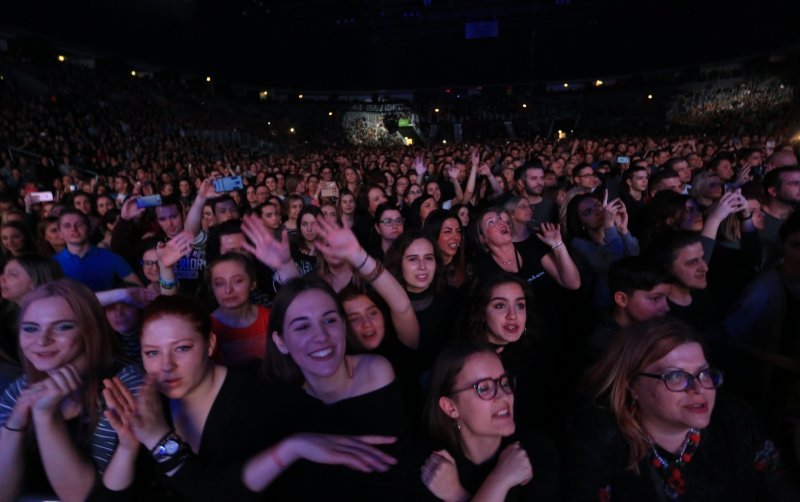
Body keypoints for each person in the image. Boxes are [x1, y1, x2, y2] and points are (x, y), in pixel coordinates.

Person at [102, 294, 395, 500]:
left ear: (209, 344)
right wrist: (128, 448)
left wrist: (159, 440)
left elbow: (214, 493)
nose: (166, 366)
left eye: (182, 348)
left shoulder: (260, 399)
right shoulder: (154, 403)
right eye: (152, 353)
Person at [565, 317, 797, 501]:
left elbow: (778, 485)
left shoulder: (733, 417)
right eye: (676, 376)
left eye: (705, 373)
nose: (699, 388)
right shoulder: (599, 435)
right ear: (632, 385)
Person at [261, 275, 410, 500]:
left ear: (343, 324)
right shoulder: (281, 406)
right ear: (281, 342)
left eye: (329, 320)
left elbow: (396, 473)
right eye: (302, 327)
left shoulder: (376, 371)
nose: (320, 336)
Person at [0, 279, 143, 501]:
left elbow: (83, 498)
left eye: (62, 327)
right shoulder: (21, 386)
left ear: (90, 330)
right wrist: (16, 422)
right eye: (30, 328)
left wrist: (45, 416)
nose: (42, 340)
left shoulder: (123, 383)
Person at [419, 342, 559, 501]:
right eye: (484, 388)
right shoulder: (433, 469)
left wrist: (459, 496)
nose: (504, 396)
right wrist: (500, 479)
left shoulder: (536, 450)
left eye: (505, 383)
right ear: (451, 407)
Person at [565, 192, 640, 310]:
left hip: (628, 299)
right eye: (588, 212)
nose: (598, 212)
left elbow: (635, 258)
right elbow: (615, 266)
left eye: (598, 205)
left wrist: (624, 230)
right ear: (581, 223)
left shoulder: (613, 231)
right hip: (604, 308)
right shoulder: (578, 244)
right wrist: (609, 225)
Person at [53, 208, 142, 292]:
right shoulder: (53, 263)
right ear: (60, 233)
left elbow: (139, 289)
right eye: (67, 226)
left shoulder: (112, 258)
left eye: (79, 224)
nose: (73, 229)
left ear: (89, 228)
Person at [209, 253, 270, 368]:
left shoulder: (270, 318)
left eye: (237, 281)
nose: (228, 290)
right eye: (219, 283)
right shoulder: (206, 327)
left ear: (253, 283)